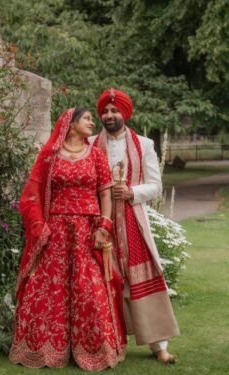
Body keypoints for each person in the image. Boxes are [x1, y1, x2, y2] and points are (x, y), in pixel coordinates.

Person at [9, 107, 127, 371]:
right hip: (56, 231)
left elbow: (106, 195)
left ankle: (96, 349)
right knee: (49, 288)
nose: (91, 122)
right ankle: (44, 350)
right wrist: (40, 226)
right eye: (86, 119)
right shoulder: (50, 156)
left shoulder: (97, 156)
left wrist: (104, 226)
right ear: (70, 124)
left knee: (90, 288)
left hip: (87, 230)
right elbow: (32, 194)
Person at [89, 89, 180, 364]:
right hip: (99, 221)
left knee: (144, 276)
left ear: (125, 114)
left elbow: (156, 186)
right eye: (105, 111)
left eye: (115, 111)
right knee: (104, 279)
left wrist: (131, 192)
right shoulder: (90, 143)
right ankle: (111, 342)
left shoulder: (144, 144)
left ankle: (159, 346)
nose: (109, 115)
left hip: (132, 220)